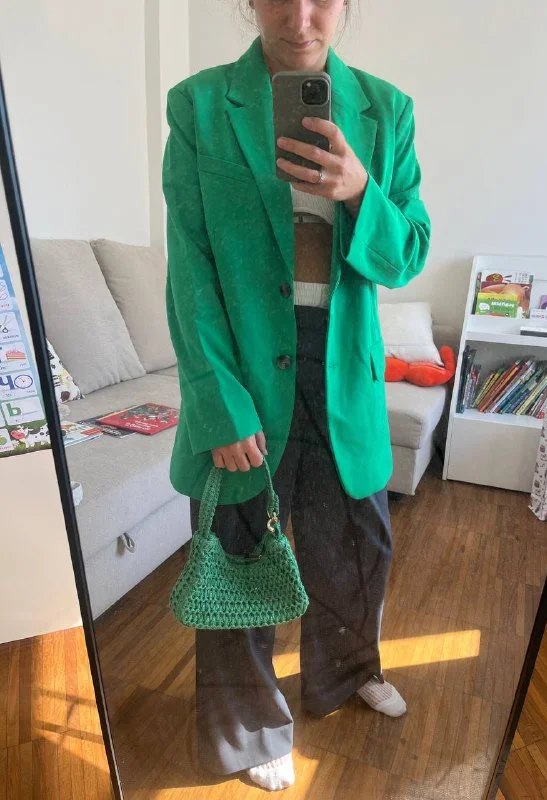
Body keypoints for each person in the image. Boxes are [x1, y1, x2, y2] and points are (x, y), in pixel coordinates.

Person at [162, 0, 431, 791]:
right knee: (241, 547)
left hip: (345, 364)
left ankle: (346, 674)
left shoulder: (386, 109)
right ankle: (248, 730)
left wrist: (359, 191)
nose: (301, 16)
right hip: (242, 365)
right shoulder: (200, 105)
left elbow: (407, 253)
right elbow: (190, 268)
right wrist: (216, 403)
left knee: (356, 540)